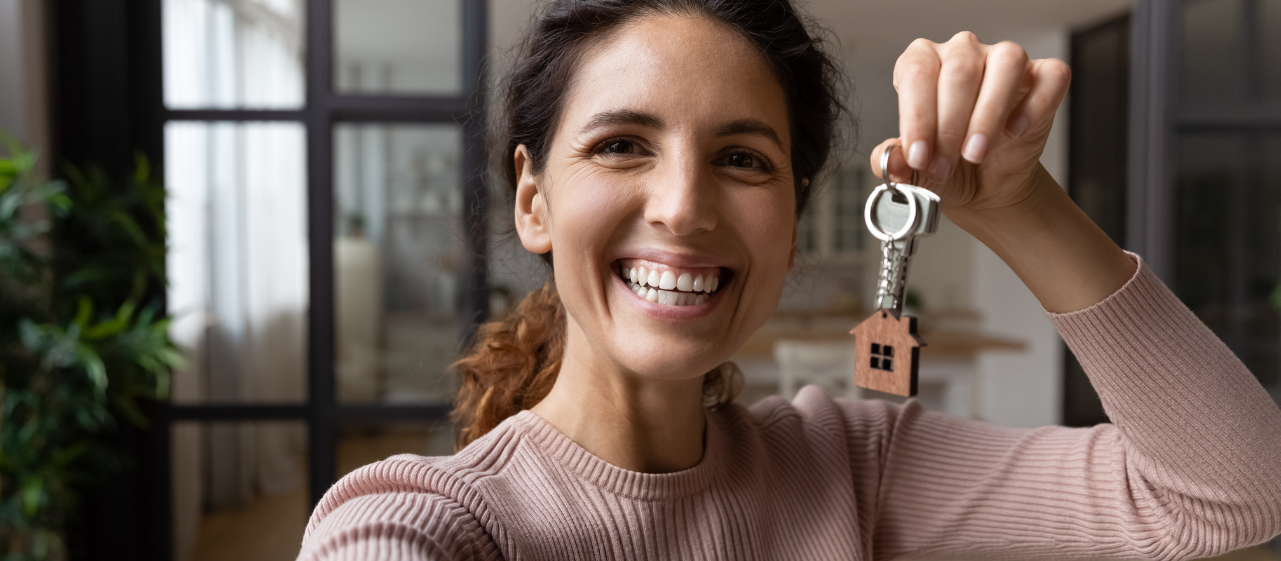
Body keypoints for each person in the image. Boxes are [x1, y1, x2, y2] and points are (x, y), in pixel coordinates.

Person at [297, 0, 1281, 558]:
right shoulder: (427, 519)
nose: (684, 205)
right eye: (622, 144)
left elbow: (1228, 492)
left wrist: (1014, 203)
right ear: (533, 200)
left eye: (743, 159)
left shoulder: (849, 469)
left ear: (793, 221)